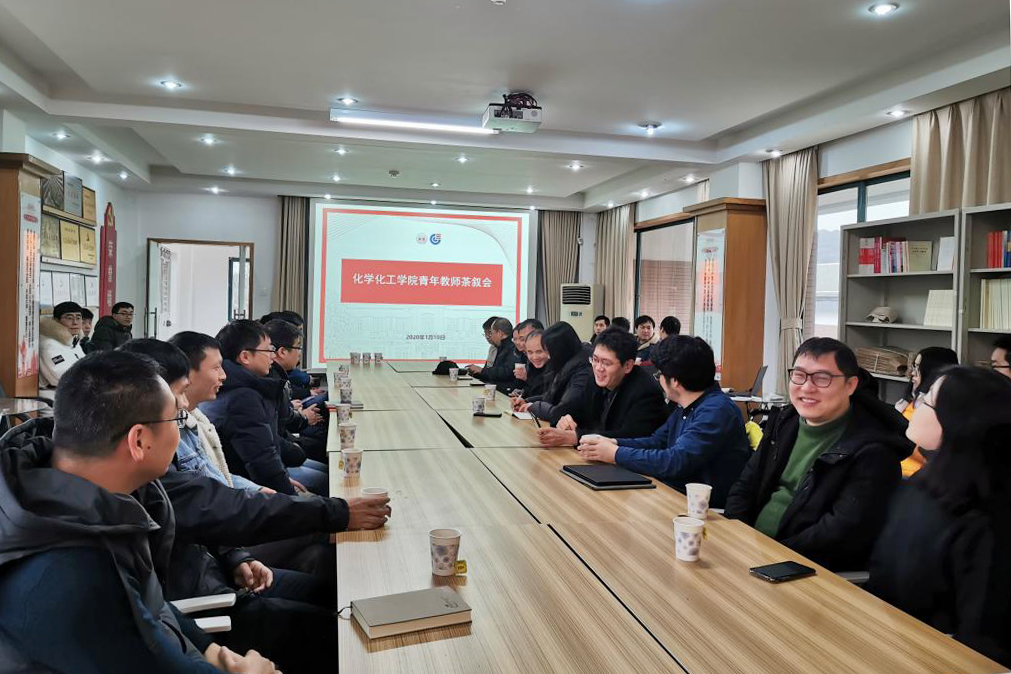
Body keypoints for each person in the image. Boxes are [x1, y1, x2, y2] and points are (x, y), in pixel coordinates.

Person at [0, 350, 279, 672]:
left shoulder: (77, 506)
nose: (179, 432)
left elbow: (149, 605)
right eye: (176, 419)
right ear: (139, 440)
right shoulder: (73, 573)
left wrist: (211, 650)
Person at [115, 339, 343, 670]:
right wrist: (337, 513)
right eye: (178, 396)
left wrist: (235, 557)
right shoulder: (139, 484)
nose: (183, 406)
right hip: (211, 600)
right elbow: (217, 506)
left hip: (216, 572)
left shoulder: (145, 470)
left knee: (330, 590)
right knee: (336, 627)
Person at [724, 338, 912, 571]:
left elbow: (838, 534)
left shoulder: (874, 452)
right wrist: (736, 535)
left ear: (850, 385)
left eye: (822, 378)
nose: (806, 387)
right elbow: (745, 485)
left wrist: (771, 556)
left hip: (802, 570)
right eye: (799, 375)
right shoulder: (785, 422)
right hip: (751, 553)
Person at [866, 366, 1011, 665]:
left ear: (957, 422)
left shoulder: (986, 521)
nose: (916, 406)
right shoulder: (922, 484)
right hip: (889, 641)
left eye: (927, 400)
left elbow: (983, 643)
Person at [577, 335, 750, 508]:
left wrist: (616, 453)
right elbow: (657, 442)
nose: (658, 379)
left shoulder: (717, 411)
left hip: (704, 511)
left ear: (675, 381)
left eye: (659, 374)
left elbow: (675, 461)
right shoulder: (687, 404)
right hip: (674, 496)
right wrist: (613, 443)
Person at [200, 320, 327, 496]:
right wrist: (291, 499)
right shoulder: (242, 397)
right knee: (326, 483)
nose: (272, 356)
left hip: (255, 478)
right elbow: (262, 462)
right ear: (245, 356)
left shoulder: (241, 386)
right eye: (268, 350)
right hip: (248, 490)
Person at [539, 327, 669, 447]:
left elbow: (629, 437)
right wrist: (565, 419)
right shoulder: (593, 379)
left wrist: (576, 437)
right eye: (595, 360)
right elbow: (569, 409)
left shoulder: (646, 392)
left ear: (628, 365)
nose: (598, 368)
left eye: (606, 363)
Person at [264, 319, 326, 462]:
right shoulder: (270, 381)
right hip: (282, 450)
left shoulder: (277, 375)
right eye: (298, 347)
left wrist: (294, 410)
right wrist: (303, 417)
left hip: (285, 441)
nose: (299, 353)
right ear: (282, 352)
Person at [893, 347, 958, 477]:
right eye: (914, 367)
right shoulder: (907, 401)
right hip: (894, 468)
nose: (912, 373)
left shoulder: (940, 410)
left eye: (918, 368)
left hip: (915, 476)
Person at [513, 322, 592, 425]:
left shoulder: (583, 369)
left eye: (547, 351)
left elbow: (562, 411)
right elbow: (551, 395)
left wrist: (534, 407)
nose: (549, 356)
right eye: (530, 352)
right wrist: (528, 401)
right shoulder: (566, 362)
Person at [38, 301, 87, 400]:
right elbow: (61, 376)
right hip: (55, 398)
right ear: (56, 320)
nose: (75, 322)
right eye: (69, 318)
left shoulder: (73, 341)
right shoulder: (48, 344)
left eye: (78, 318)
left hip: (75, 394)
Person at [469, 317, 520, 391]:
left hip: (505, 392)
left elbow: (506, 372)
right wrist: (476, 373)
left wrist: (482, 371)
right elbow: (492, 373)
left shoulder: (512, 348)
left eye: (492, 333)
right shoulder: (500, 347)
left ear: (499, 333)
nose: (491, 337)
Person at [512, 318, 545, 394]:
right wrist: (523, 393)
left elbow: (547, 391)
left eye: (524, 339)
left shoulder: (551, 358)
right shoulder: (524, 355)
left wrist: (526, 378)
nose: (521, 343)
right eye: (521, 339)